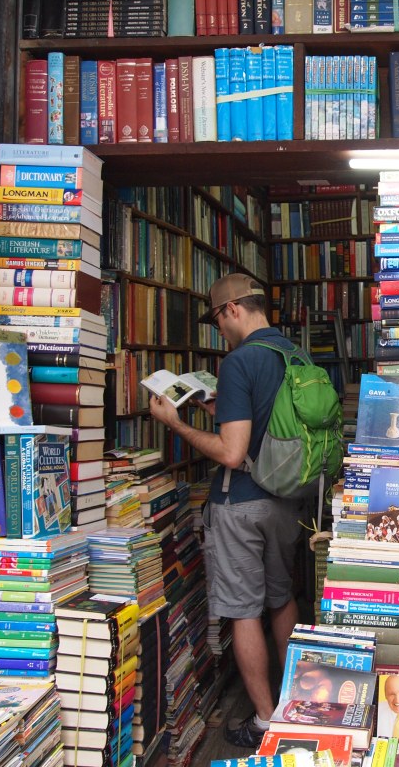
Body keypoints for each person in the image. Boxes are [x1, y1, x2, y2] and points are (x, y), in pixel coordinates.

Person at [149, 273, 304, 748]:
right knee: (281, 598)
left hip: (241, 502)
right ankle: (299, 703)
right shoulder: (293, 354)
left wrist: (176, 424)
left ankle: (264, 718)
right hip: (287, 500)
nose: (218, 330)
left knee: (242, 612)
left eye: (217, 318)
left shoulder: (239, 362)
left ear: (233, 308)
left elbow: (232, 453)